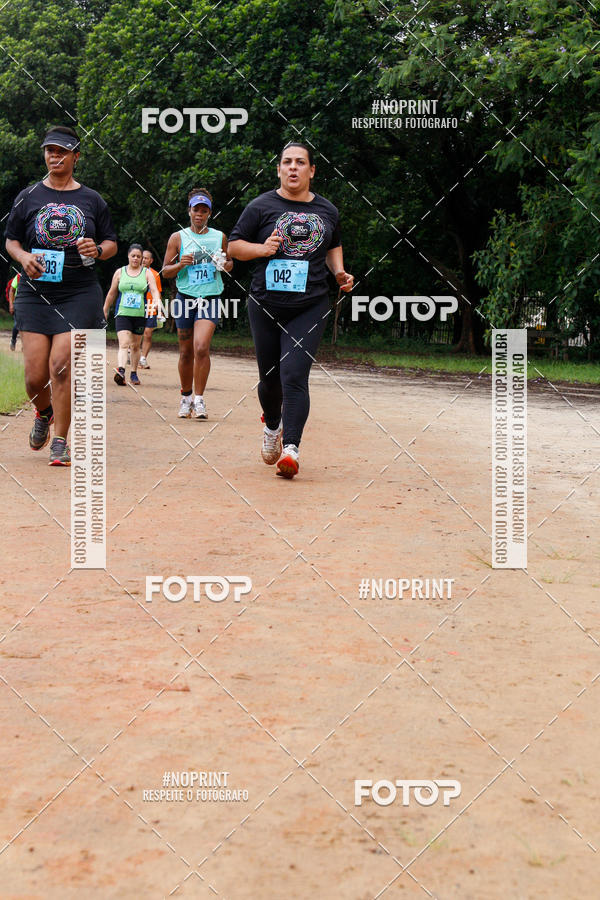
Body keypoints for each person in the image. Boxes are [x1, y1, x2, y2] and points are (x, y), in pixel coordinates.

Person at [228, 142, 354, 479]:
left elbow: (333, 245)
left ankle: (292, 448)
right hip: (266, 304)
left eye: (301, 162)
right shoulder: (260, 206)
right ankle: (272, 426)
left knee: (294, 375)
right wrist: (260, 248)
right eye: (287, 162)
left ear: (312, 170)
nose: (293, 168)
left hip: (310, 305)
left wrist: (339, 272)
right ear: (279, 169)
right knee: (270, 379)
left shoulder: (327, 210)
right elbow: (234, 246)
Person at [4, 125, 117, 466]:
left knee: (61, 367)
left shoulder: (91, 200)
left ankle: (61, 441)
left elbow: (112, 244)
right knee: (35, 376)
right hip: (35, 293)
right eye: (50, 150)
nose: (55, 156)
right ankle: (44, 411)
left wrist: (96, 249)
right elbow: (10, 240)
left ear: (75, 157)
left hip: (79, 292)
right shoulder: (28, 196)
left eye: (62, 151)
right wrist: (23, 257)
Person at [161, 189, 232, 419]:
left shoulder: (219, 236)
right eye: (196, 210)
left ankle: (199, 400)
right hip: (185, 298)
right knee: (185, 352)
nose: (199, 214)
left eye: (204, 210)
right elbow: (165, 272)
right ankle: (185, 397)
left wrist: (223, 264)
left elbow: (229, 264)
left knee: (201, 347)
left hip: (210, 298)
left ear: (209, 213)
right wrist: (181, 264)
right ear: (189, 211)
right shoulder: (177, 238)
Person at [103, 244, 160, 386]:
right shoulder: (120, 272)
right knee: (124, 344)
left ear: (142, 259)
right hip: (122, 313)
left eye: (138, 256)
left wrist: (157, 301)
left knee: (135, 346)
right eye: (133, 256)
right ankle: (121, 370)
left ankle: (133, 373)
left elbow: (153, 290)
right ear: (128, 256)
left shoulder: (147, 273)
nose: (135, 258)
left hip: (140, 314)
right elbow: (112, 292)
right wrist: (105, 308)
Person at [139, 249, 162, 369]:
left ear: (151, 261)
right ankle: (132, 354)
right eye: (142, 257)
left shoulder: (155, 274)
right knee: (135, 334)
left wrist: (160, 309)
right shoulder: (133, 272)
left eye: (146, 258)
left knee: (147, 334)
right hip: (136, 306)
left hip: (150, 306)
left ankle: (143, 358)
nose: (143, 260)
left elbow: (158, 292)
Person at [8, 273, 21, 350]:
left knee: (28, 326)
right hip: (18, 303)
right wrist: (11, 305)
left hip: (30, 305)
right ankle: (13, 340)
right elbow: (12, 291)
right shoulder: (19, 276)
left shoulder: (35, 276)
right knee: (17, 324)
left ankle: (25, 345)